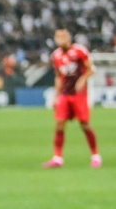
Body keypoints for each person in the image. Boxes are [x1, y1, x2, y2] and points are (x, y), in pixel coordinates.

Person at [44, 29, 102, 168]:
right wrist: (56, 97)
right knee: (59, 124)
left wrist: (82, 79)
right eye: (58, 37)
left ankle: (95, 156)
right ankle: (57, 158)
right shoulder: (56, 56)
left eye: (62, 37)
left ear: (68, 38)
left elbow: (91, 69)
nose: (60, 40)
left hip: (78, 94)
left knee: (84, 125)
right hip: (65, 94)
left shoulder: (79, 51)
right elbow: (59, 77)